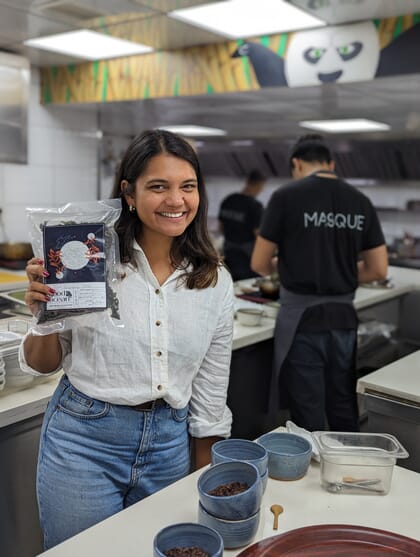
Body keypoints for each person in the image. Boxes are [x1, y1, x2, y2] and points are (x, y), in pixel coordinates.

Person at [19, 129, 234, 549]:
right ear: (129, 194)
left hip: (170, 444)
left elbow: (210, 396)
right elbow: (44, 363)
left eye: (187, 186)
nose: (176, 200)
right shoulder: (84, 258)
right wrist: (43, 312)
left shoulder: (214, 281)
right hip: (84, 442)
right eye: (159, 186)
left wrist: (206, 487)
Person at [251, 134, 388, 432]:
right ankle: (349, 472)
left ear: (296, 164)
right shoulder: (360, 201)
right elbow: (379, 269)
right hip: (344, 321)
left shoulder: (286, 197)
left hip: (303, 323)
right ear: (331, 164)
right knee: (342, 402)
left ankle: (311, 469)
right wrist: (343, 275)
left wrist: (287, 265)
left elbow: (258, 263)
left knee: (307, 407)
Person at [218, 169, 266, 281]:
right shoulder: (255, 206)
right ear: (259, 185)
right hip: (247, 259)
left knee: (233, 285)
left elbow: (220, 227)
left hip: (229, 254)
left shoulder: (228, 200)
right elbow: (259, 235)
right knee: (249, 288)